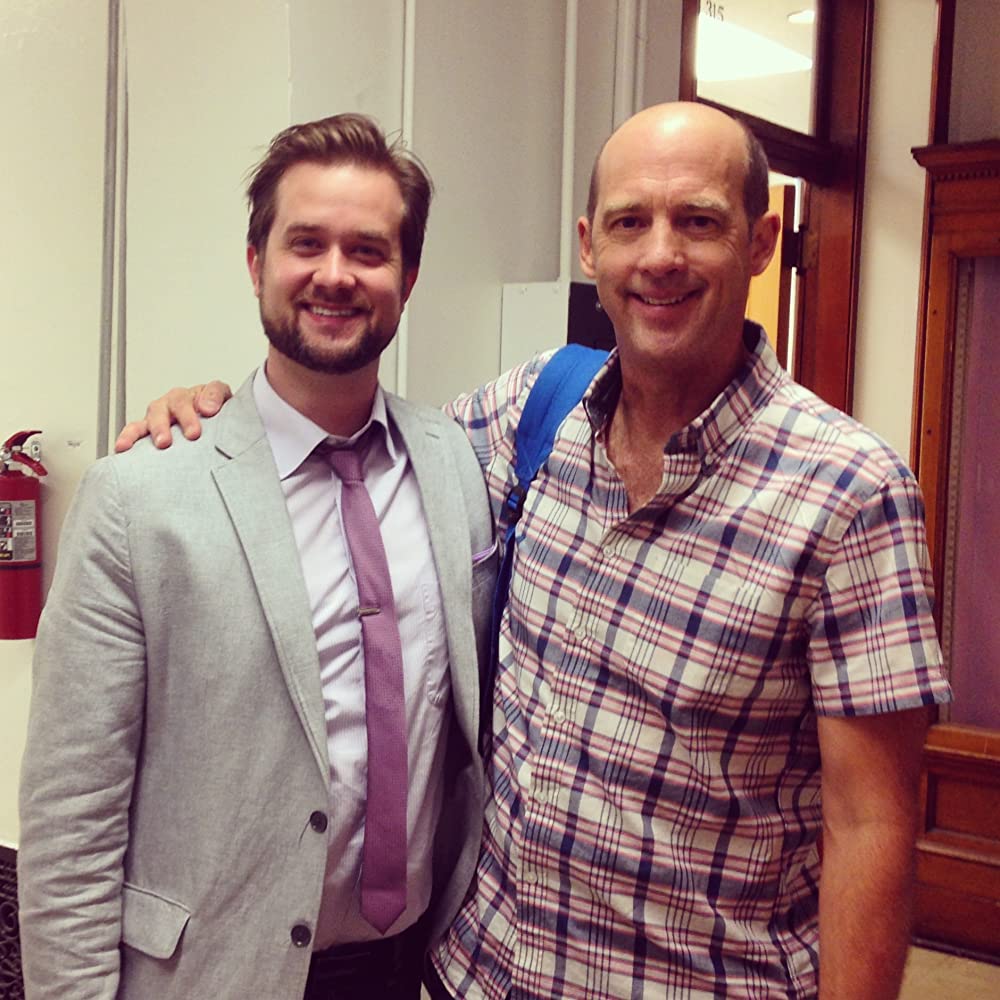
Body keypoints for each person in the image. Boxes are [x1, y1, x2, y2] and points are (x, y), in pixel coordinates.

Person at [119, 102, 950, 999]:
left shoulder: (851, 493)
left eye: (698, 222)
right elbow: (351, 440)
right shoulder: (529, 415)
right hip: (473, 975)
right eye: (629, 222)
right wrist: (222, 418)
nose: (660, 255)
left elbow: (871, 826)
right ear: (590, 246)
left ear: (760, 242)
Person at [18, 114, 496, 1000]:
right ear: (255, 263)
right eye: (305, 243)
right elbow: (70, 816)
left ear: (409, 278)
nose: (334, 274)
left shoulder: (457, 463)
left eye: (368, 250)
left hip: (416, 968)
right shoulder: (140, 495)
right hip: (210, 975)